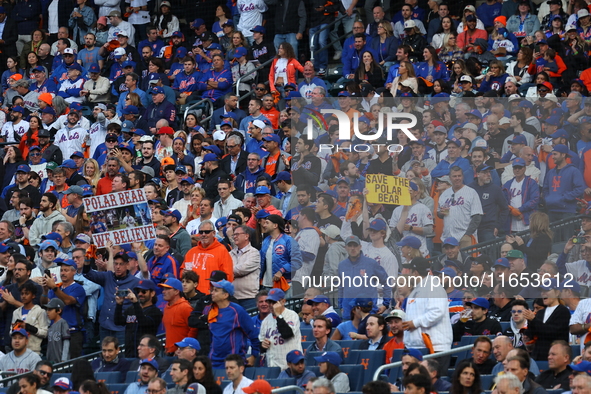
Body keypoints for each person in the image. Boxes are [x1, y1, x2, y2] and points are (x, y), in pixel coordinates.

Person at [205, 280, 260, 368]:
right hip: (214, 362)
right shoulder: (211, 310)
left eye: (216, 290)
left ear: (225, 295)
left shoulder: (237, 311)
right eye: (212, 290)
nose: (212, 293)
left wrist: (254, 355)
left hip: (234, 362)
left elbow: (253, 334)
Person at [114, 279, 162, 358]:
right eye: (138, 291)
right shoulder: (131, 309)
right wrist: (119, 305)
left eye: (143, 291)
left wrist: (136, 303)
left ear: (152, 293)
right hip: (129, 354)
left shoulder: (155, 312)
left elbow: (144, 323)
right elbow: (118, 321)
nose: (140, 294)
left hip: (146, 355)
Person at [259, 288, 302, 370]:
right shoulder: (266, 320)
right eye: (269, 302)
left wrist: (278, 315)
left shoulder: (292, 315)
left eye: (274, 302)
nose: (271, 305)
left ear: (283, 301)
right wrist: (263, 345)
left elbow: (287, 334)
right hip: (272, 366)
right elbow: (261, 345)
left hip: (289, 366)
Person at [158, 278, 196, 356]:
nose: (163, 291)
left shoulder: (185, 307)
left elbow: (194, 329)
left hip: (181, 354)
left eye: (167, 289)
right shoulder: (166, 308)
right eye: (163, 289)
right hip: (169, 352)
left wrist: (184, 348)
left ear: (176, 291)